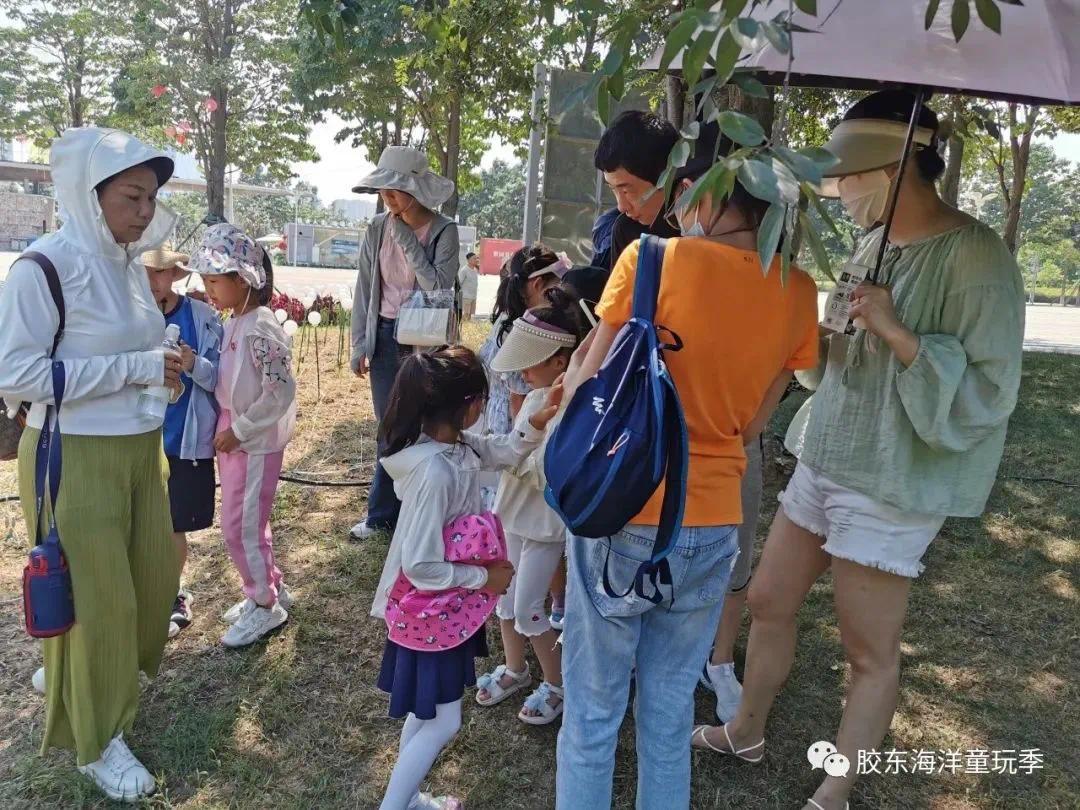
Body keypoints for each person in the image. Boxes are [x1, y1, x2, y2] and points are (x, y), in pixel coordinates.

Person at [692, 91, 1026, 810]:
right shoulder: (872, 243)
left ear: (893, 169)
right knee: (769, 600)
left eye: (847, 176)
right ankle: (746, 730)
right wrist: (822, 335)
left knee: (867, 650)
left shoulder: (977, 256)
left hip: (893, 478)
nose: (839, 191)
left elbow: (990, 388)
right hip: (830, 452)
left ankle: (836, 789)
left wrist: (900, 332)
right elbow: (838, 357)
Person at [556, 119, 821, 810]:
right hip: (712, 522)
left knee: (592, 715)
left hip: (623, 509)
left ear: (707, 189)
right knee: (670, 716)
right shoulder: (797, 289)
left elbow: (587, 383)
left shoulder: (650, 261)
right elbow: (755, 425)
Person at [0, 127, 183, 802]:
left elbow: (135, 350)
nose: (144, 211)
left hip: (140, 448)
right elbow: (15, 375)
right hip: (72, 454)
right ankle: (96, 740)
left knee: (152, 582)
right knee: (99, 600)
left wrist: (162, 367)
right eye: (132, 196)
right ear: (88, 193)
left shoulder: (128, 265)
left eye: (151, 197)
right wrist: (134, 367)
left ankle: (79, 671)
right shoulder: (44, 267)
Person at [372, 345, 562, 810]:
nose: (484, 404)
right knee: (444, 721)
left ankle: (408, 800)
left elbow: (504, 451)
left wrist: (535, 423)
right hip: (430, 612)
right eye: (482, 396)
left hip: (438, 611)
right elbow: (420, 564)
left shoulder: (457, 445)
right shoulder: (435, 472)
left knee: (427, 713)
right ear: (466, 404)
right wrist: (484, 578)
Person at [475, 290, 588, 725]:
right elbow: (515, 452)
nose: (523, 372)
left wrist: (513, 448)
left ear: (560, 362)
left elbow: (542, 468)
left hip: (543, 526)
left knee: (528, 609)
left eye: (531, 362)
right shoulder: (538, 399)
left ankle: (557, 685)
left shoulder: (571, 409)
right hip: (513, 516)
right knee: (504, 600)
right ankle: (516, 668)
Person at [190, 223, 298, 648]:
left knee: (240, 526)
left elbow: (280, 391)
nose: (209, 290)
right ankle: (268, 585)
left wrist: (240, 430)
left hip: (251, 441)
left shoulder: (259, 328)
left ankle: (263, 603)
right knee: (248, 520)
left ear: (242, 279)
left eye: (215, 281)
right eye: (205, 281)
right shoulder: (237, 320)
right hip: (236, 436)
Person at [349, 146, 460, 541]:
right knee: (391, 425)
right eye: (384, 191)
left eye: (395, 191)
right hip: (384, 334)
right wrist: (358, 343)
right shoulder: (377, 228)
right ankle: (381, 516)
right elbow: (365, 287)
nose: (388, 198)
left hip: (426, 341)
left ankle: (423, 512)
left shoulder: (444, 231)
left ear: (416, 190)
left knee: (428, 424)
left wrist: (408, 241)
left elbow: (439, 287)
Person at [143, 245, 224, 639]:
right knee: (139, 522)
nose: (151, 281)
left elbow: (221, 378)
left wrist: (192, 364)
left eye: (159, 272)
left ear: (173, 274)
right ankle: (143, 592)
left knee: (174, 523)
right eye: (144, 271)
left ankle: (171, 594)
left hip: (182, 440)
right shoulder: (126, 315)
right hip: (136, 437)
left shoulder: (202, 318)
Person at [477, 245, 571, 436]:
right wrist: (523, 439)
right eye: (556, 286)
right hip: (515, 425)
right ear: (538, 284)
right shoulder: (524, 330)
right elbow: (517, 397)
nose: (560, 294)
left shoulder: (508, 317)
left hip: (499, 419)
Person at [594, 110, 679, 270]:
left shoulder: (703, 220)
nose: (621, 207)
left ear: (664, 176)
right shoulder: (626, 231)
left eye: (627, 191)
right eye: (613, 190)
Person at [459, 252, 480, 322]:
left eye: (476, 258)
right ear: (468, 260)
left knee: (471, 315)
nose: (476, 260)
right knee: (465, 315)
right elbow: (459, 283)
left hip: (473, 297)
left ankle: (469, 327)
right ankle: (464, 327)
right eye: (474, 258)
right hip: (466, 297)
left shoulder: (475, 270)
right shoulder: (464, 270)